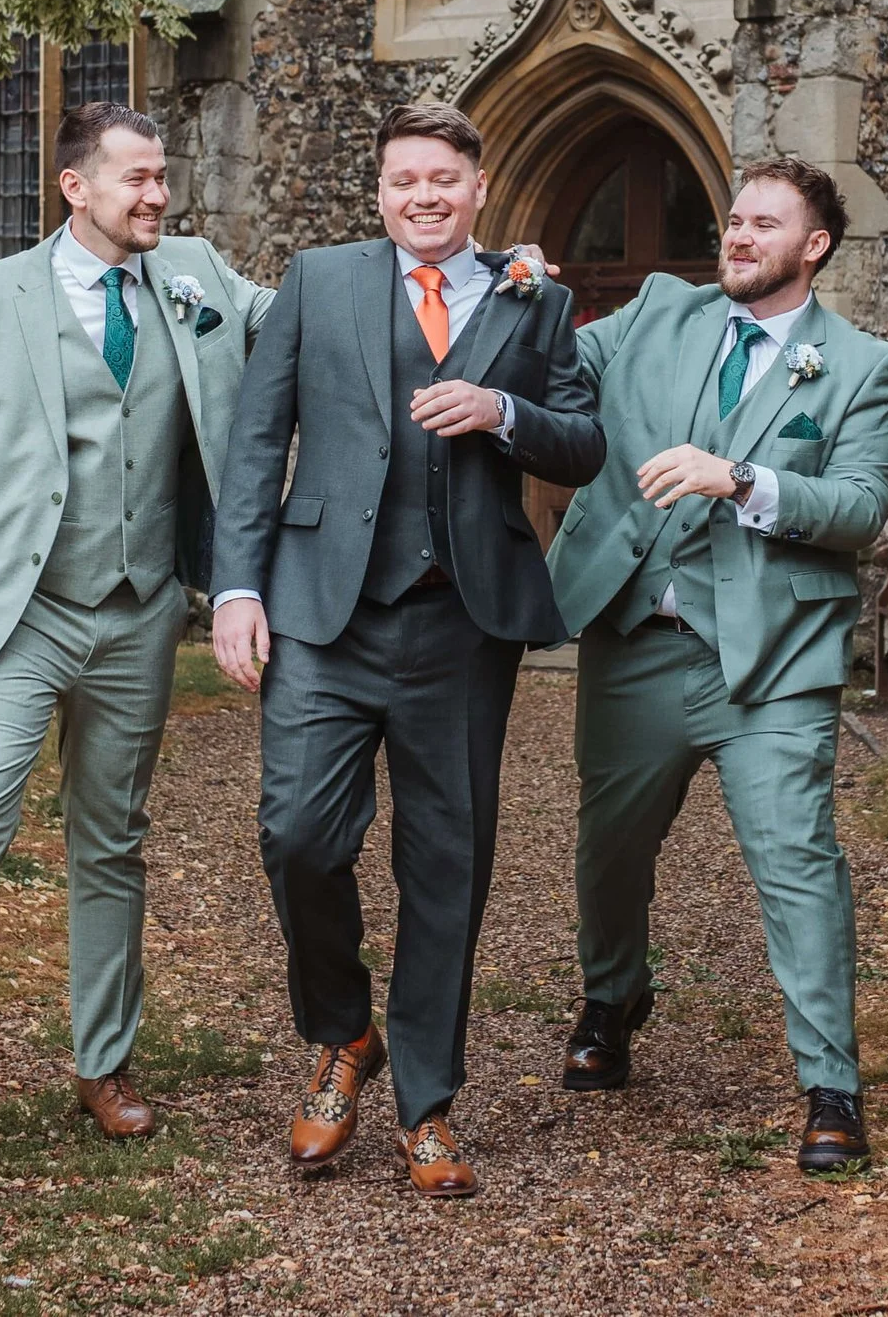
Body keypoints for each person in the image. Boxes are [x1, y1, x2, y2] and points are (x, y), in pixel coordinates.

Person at [0, 102, 272, 1160]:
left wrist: (475, 262)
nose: (157, 194)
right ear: (73, 187)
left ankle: (103, 1062)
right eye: (135, 177)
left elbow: (313, 310)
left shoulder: (194, 273)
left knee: (112, 841)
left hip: (137, 614)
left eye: (162, 176)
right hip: (13, 611)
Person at [208, 103, 606, 1198]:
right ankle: (343, 1031)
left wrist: (501, 409)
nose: (422, 196)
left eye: (442, 178)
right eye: (401, 181)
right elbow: (257, 436)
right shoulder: (318, 279)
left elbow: (584, 442)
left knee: (447, 866)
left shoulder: (537, 299)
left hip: (459, 621)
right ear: (378, 192)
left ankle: (425, 1103)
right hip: (321, 612)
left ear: (479, 187)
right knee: (295, 832)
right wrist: (237, 586)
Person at [543, 156, 888, 1174]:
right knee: (608, 851)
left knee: (797, 862)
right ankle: (611, 996)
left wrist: (740, 476)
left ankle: (829, 1085)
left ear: (814, 246)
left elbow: (857, 509)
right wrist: (517, 285)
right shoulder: (657, 312)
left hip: (772, 658)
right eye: (733, 218)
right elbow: (553, 372)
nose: (738, 235)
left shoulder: (863, 365)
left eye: (763, 223)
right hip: (636, 644)